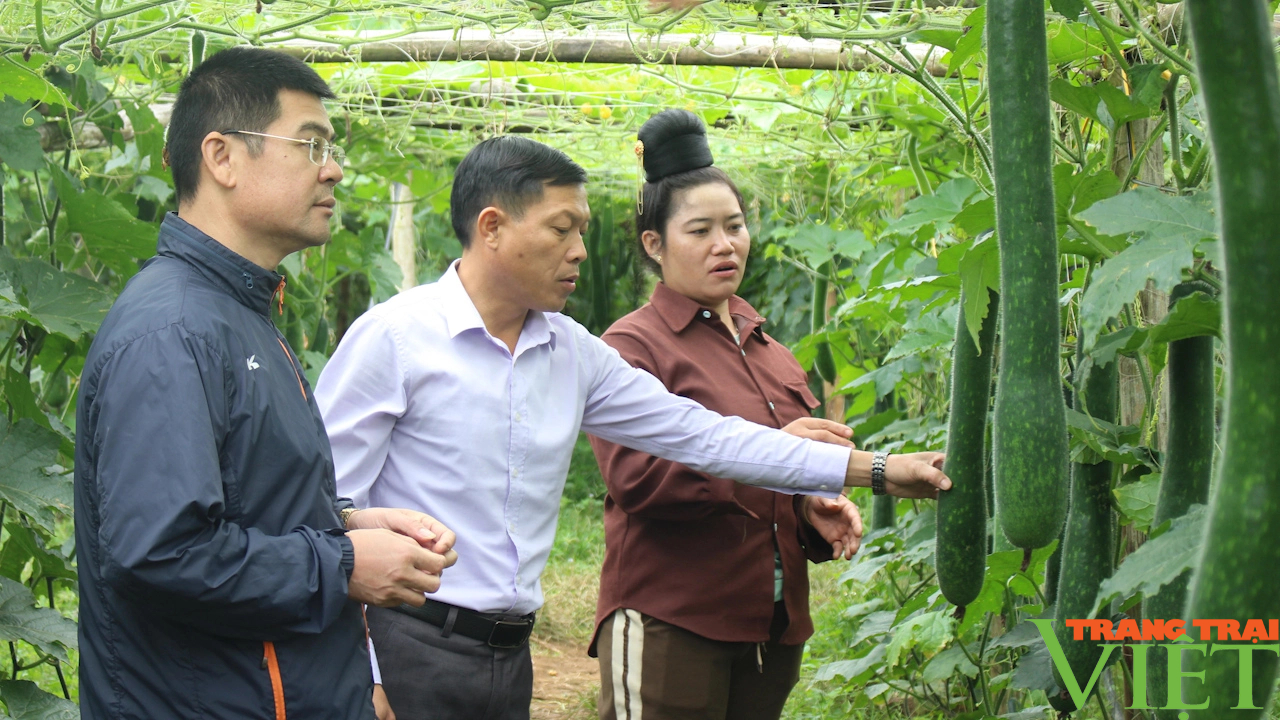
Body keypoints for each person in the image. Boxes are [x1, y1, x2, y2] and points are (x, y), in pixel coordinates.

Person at [315, 135, 950, 720]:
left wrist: (876, 470)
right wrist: (360, 669)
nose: (580, 252)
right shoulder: (395, 338)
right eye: (562, 230)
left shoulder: (572, 351)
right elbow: (323, 508)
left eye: (582, 230)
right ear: (493, 228)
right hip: (406, 643)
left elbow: (705, 436)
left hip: (508, 654)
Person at [74, 47, 457, 720]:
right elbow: (162, 553)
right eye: (311, 145)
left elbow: (238, 504)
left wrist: (345, 524)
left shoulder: (239, 312)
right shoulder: (176, 330)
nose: (333, 169)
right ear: (221, 157)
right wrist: (343, 566)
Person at [588, 109, 867, 720]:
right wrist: (777, 452)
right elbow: (637, 479)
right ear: (654, 245)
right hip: (673, 621)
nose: (725, 245)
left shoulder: (771, 351)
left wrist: (806, 503)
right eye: (701, 230)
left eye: (735, 226)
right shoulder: (630, 348)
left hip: (770, 625)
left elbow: (772, 482)